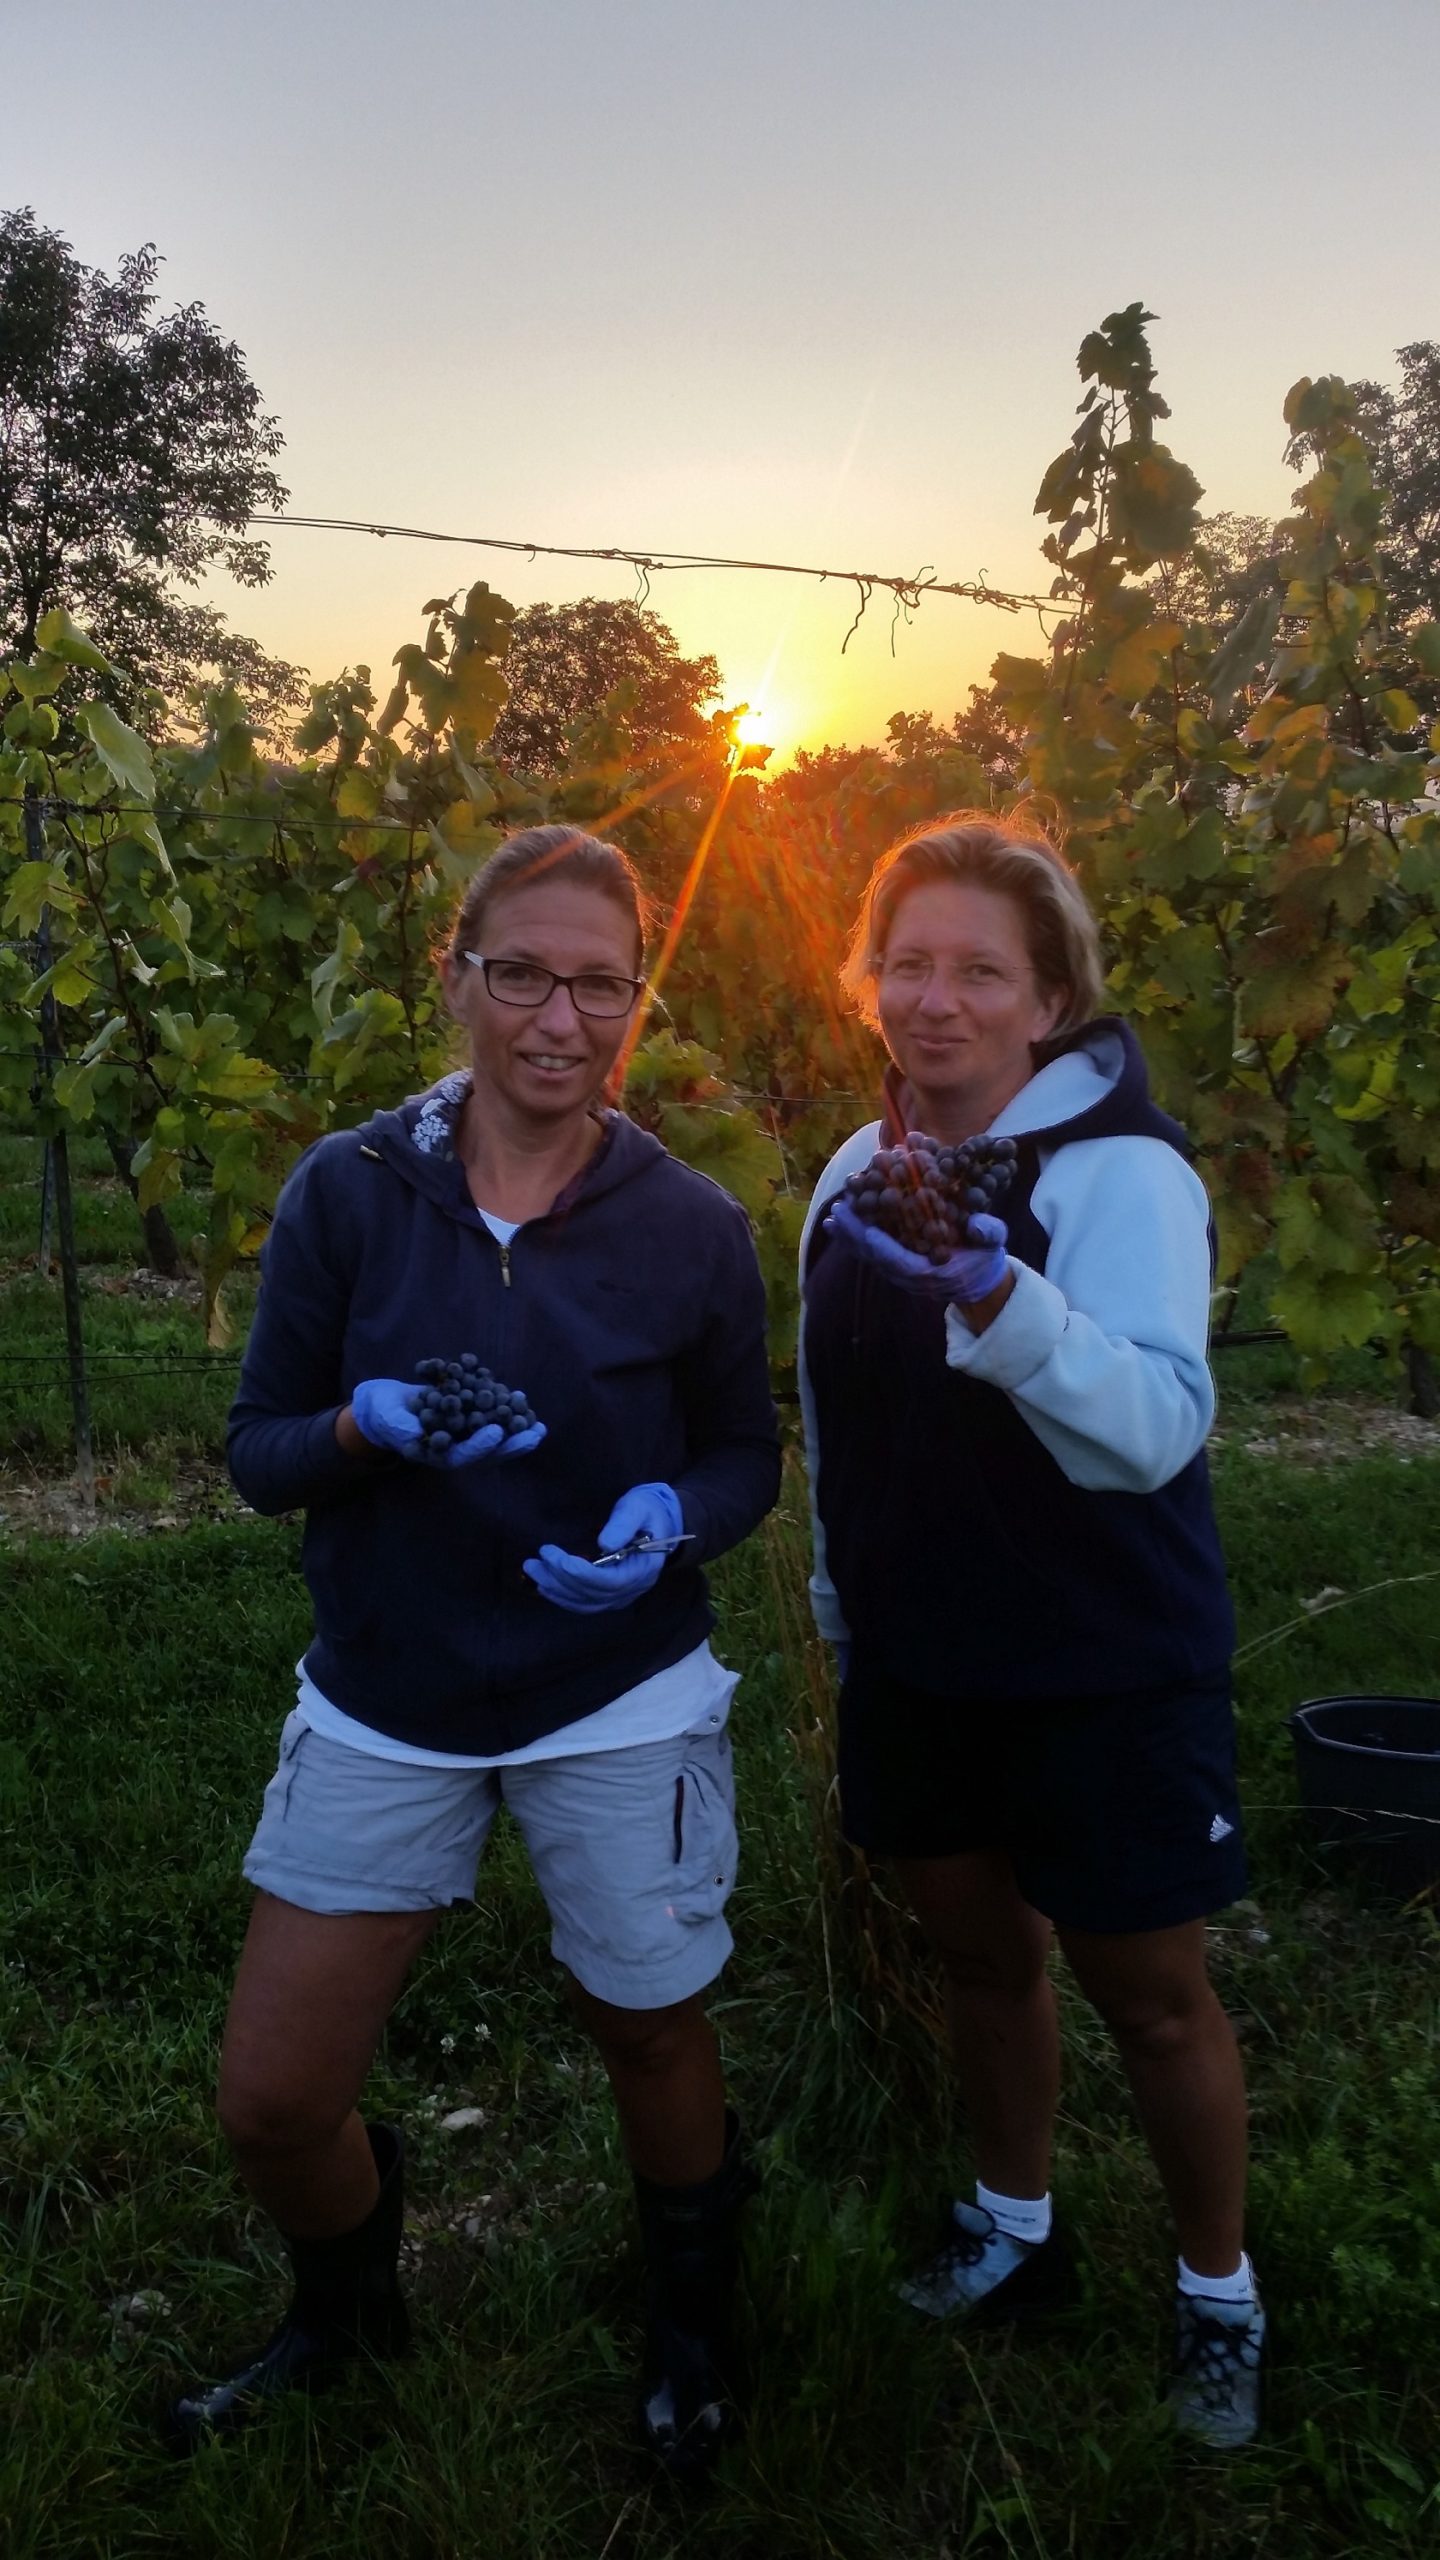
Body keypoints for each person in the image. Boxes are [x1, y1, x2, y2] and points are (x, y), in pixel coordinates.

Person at [173, 824, 780, 2475]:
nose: (560, 1018)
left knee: (649, 2028)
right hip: (394, 1691)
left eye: (601, 983)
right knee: (274, 2105)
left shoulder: (689, 1226)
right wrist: (361, 1429)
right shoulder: (350, 1196)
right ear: (457, 982)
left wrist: (675, 1511)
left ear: (637, 1001)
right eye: (522, 973)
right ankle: (351, 2306)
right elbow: (256, 1453)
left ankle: (689, 2328)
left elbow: (746, 1456)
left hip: (617, 1688)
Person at [798, 813, 1264, 2450]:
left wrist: (1007, 1309)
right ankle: (1017, 2227)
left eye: (979, 971)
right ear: (868, 985)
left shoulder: (1123, 1175)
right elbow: (837, 1422)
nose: (936, 1000)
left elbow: (1152, 1431)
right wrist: (845, 1616)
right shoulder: (858, 1174)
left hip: (1103, 1669)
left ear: (1048, 1001)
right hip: (925, 1663)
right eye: (906, 963)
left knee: (1153, 1995)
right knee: (982, 1961)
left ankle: (1220, 2291)